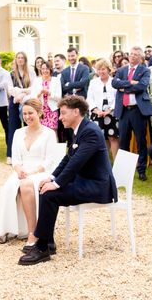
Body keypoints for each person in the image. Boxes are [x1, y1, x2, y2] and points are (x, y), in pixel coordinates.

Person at [17, 96, 117, 265]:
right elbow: (67, 159)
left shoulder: (90, 132)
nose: (60, 117)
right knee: (45, 188)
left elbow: (76, 164)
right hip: (86, 181)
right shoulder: (80, 129)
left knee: (50, 194)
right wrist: (51, 177)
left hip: (98, 186)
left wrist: (56, 184)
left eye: (63, 113)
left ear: (76, 112)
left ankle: (42, 247)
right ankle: (47, 241)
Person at [0, 99, 58, 245]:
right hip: (22, 170)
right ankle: (9, 228)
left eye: (30, 113)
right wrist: (19, 170)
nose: (27, 117)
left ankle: (33, 231)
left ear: (39, 113)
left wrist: (32, 172)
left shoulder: (49, 133)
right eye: (24, 114)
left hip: (41, 171)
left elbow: (49, 161)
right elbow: (16, 159)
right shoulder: (18, 133)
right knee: (8, 188)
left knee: (25, 185)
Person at [112, 46, 152, 180]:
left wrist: (124, 87)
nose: (133, 56)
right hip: (124, 110)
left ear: (140, 57)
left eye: (136, 54)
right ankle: (124, 169)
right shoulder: (122, 70)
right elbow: (114, 83)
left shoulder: (144, 70)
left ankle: (141, 169)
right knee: (123, 140)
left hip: (137, 110)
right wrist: (130, 83)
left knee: (141, 141)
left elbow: (142, 86)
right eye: (131, 54)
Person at [87, 59, 119, 158]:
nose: (101, 71)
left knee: (113, 138)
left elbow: (117, 97)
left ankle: (116, 166)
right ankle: (105, 164)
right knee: (100, 139)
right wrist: (97, 111)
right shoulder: (93, 82)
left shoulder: (115, 82)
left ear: (109, 69)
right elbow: (89, 98)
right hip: (97, 114)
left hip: (111, 114)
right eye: (99, 69)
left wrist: (109, 110)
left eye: (103, 69)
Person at [8, 52, 34, 161]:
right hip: (14, 102)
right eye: (18, 58)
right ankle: (11, 155)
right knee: (13, 128)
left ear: (25, 59)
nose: (20, 60)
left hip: (27, 102)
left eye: (22, 58)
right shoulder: (11, 73)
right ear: (16, 59)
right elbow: (10, 89)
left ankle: (28, 154)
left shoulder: (31, 73)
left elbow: (32, 88)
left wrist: (22, 93)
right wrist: (20, 93)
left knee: (28, 127)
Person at [28, 61, 62, 130]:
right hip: (40, 110)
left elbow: (59, 97)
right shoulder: (36, 80)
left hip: (52, 110)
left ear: (50, 69)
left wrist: (49, 93)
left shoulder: (56, 80)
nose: (45, 70)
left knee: (53, 131)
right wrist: (40, 93)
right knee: (40, 131)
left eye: (47, 68)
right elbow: (32, 97)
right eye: (43, 69)